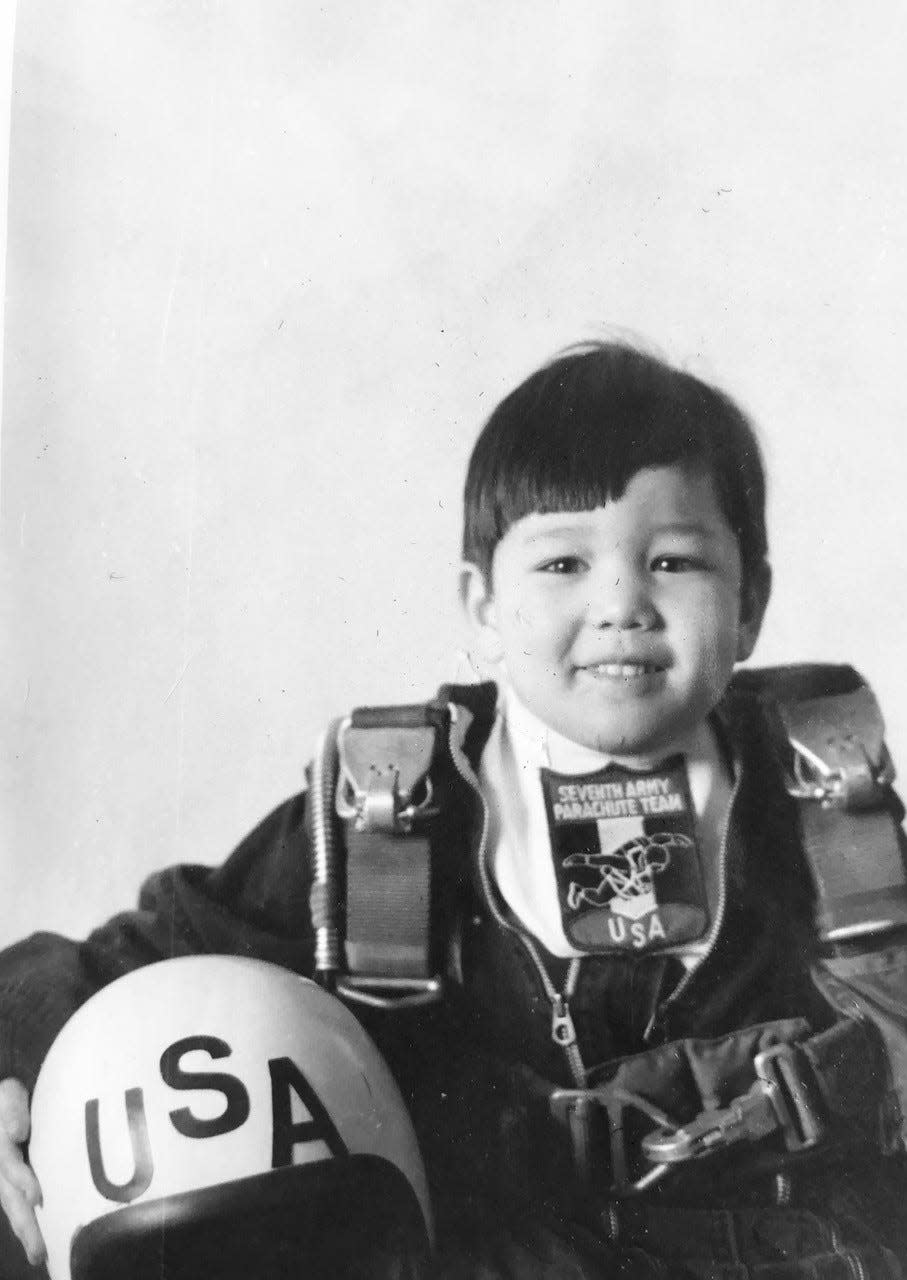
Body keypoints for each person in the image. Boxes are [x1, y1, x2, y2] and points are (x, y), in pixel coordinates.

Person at [2, 340, 906, 1279]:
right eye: (561, 565)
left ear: (750, 600)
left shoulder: (831, 809)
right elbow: (129, 962)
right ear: (481, 611)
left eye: (673, 561)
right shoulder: (392, 818)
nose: (621, 602)